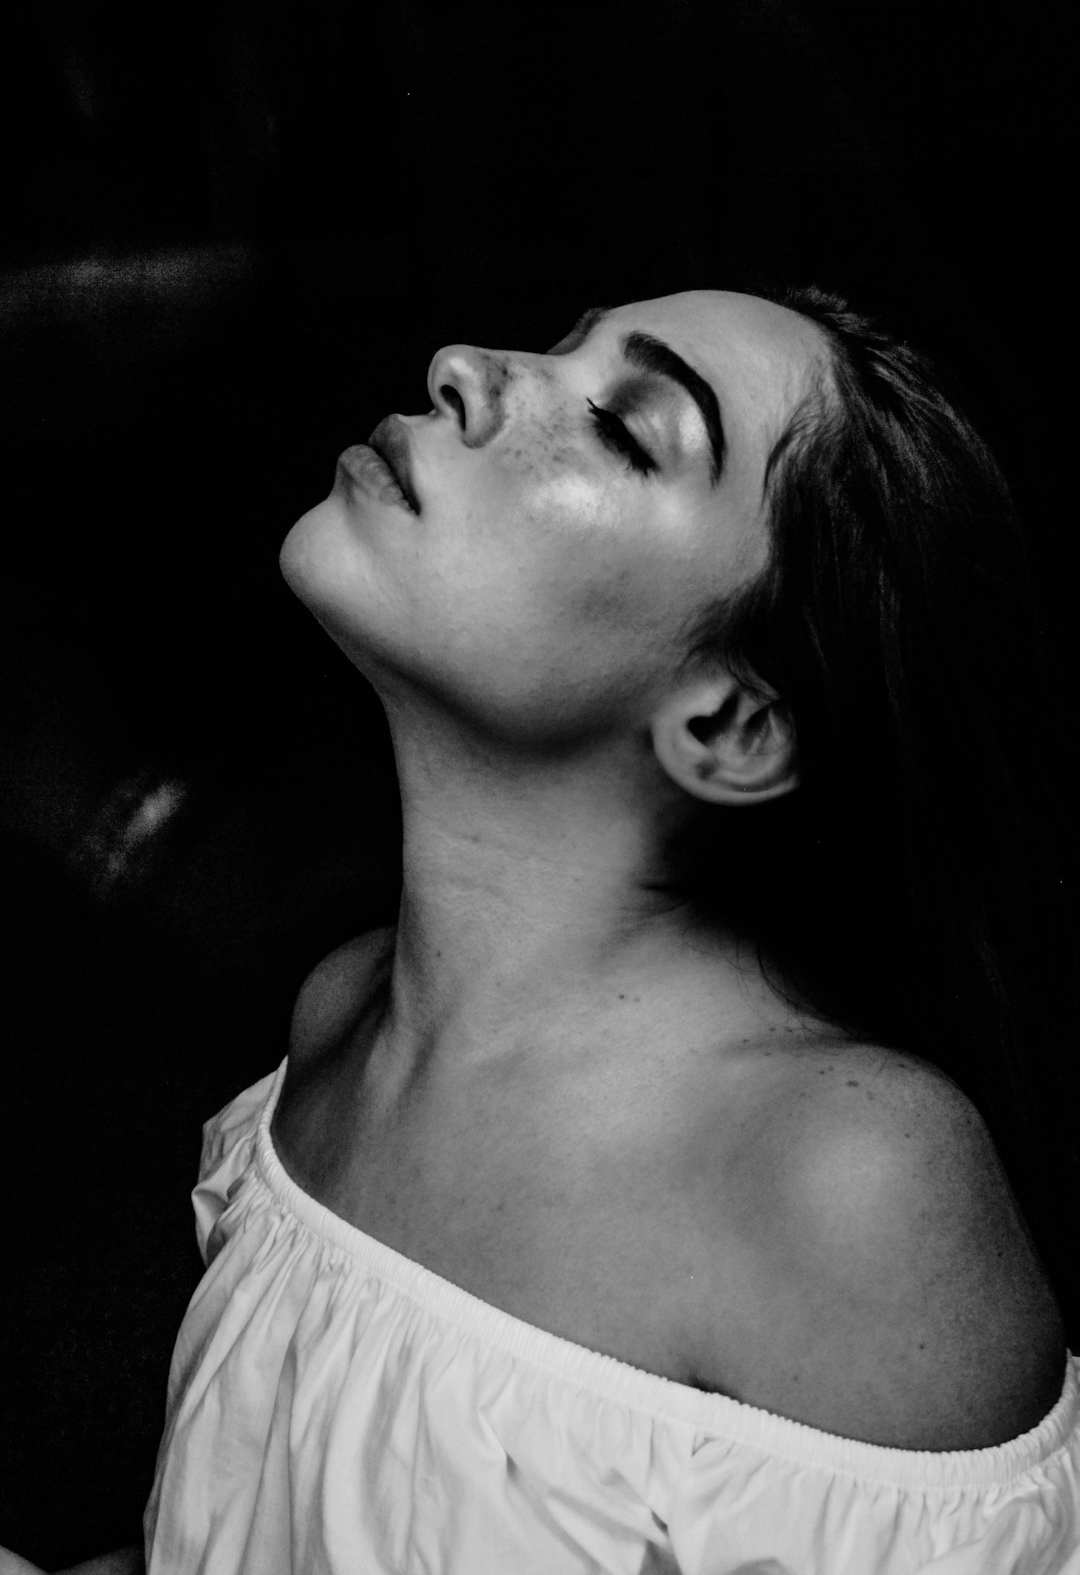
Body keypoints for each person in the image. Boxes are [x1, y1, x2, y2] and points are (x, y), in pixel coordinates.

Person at [11, 288, 1078, 1573]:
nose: (464, 365)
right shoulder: (343, 1019)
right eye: (562, 342)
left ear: (732, 727)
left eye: (630, 430)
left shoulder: (843, 1179)